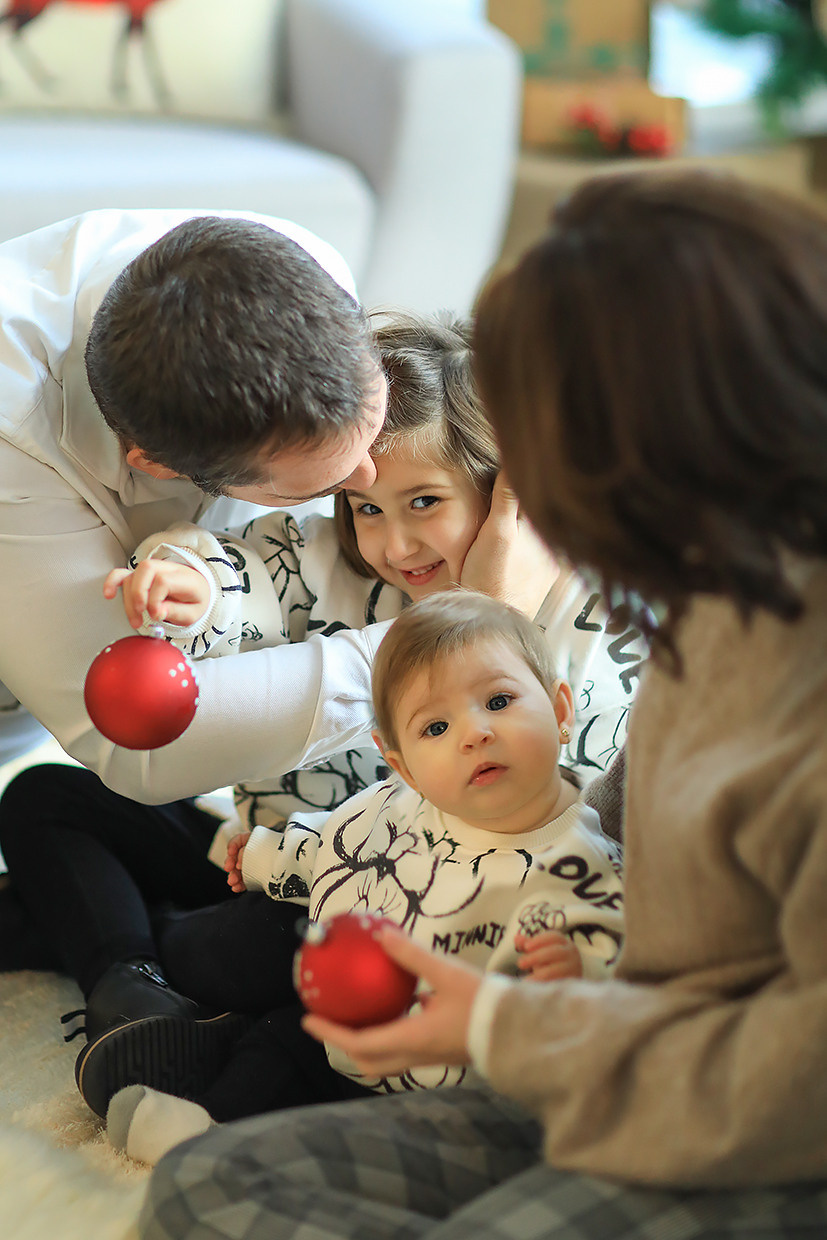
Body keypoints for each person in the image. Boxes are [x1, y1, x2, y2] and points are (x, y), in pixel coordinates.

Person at [138, 169, 827, 1240]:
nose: (531, 499)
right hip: (604, 1055)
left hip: (756, 1134)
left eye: (540, 461)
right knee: (207, 1189)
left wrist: (507, 1023)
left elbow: (794, 1083)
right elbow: (602, 815)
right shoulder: (712, 602)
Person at [0, 312, 641, 1112]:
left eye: (424, 502)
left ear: (502, 489)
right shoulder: (330, 564)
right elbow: (241, 572)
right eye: (367, 508)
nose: (395, 543)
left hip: (401, 910)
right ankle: (128, 979)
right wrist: (187, 586)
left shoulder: (581, 619)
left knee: (240, 946)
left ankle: (110, 939)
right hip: (269, 858)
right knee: (45, 796)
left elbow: (581, 813)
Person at [102, 590, 623, 1166]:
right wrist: (264, 858)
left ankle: (230, 1125)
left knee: (337, 1118)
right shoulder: (401, 804)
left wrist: (579, 978)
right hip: (348, 1037)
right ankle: (207, 1123)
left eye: (499, 701)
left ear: (560, 711)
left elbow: (629, 966)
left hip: (445, 1098)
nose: (473, 733)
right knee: (285, 1037)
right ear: (401, 765)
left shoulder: (585, 864)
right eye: (435, 728)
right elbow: (335, 849)